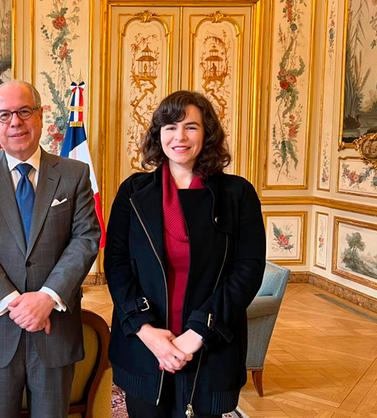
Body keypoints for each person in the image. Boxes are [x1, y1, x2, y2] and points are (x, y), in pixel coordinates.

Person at [104, 90, 266, 417]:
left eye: (191, 127)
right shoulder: (133, 192)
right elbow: (116, 265)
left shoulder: (237, 194)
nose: (180, 136)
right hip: (143, 346)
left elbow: (247, 272)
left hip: (211, 347)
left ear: (207, 134)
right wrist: (147, 332)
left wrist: (197, 334)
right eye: (170, 127)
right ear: (158, 135)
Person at [0, 80, 101, 418]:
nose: (14, 122)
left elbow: (85, 238)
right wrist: (12, 302)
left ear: (40, 115)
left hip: (55, 328)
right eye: (4, 115)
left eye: (23, 112)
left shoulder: (74, 174)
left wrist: (47, 296)